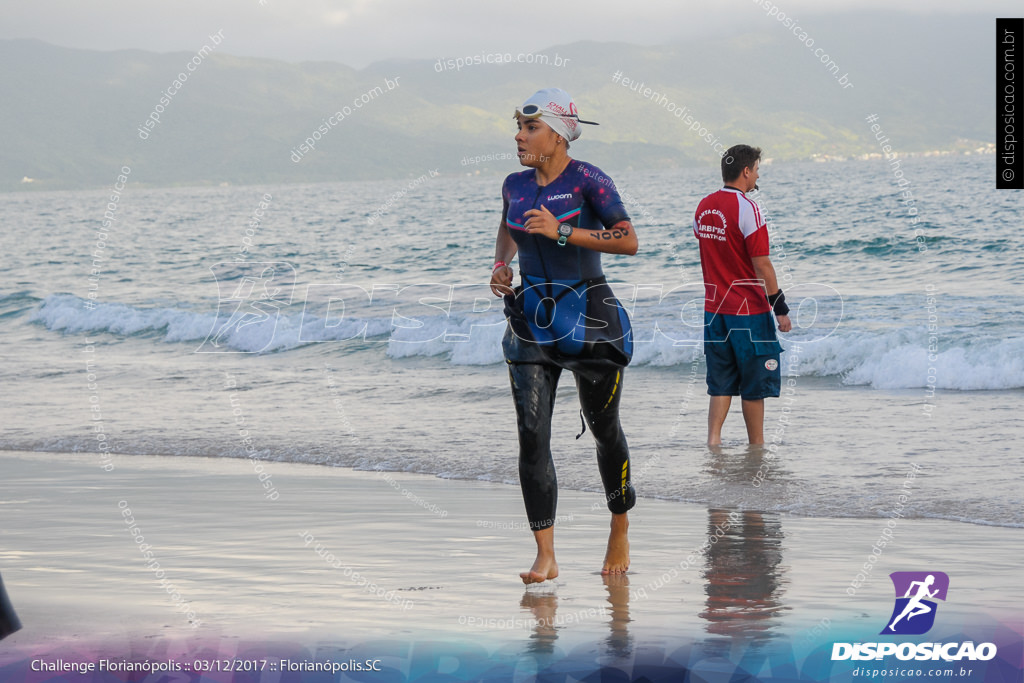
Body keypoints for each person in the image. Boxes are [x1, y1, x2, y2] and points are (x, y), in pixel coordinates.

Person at [489, 88, 638, 584]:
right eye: (519, 126)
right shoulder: (514, 183)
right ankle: (545, 554)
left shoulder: (589, 180)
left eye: (530, 128)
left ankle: (619, 524)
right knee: (532, 435)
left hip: (589, 315)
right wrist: (501, 264)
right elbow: (509, 226)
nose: (519, 135)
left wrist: (562, 232)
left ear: (557, 134)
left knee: (604, 431)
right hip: (531, 316)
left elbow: (628, 240)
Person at [693, 144, 792, 446]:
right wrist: (780, 307)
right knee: (754, 385)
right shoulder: (748, 207)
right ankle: (757, 447)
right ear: (746, 171)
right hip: (748, 312)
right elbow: (762, 263)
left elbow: (714, 250)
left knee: (721, 381)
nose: (758, 175)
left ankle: (713, 442)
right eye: (757, 169)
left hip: (715, 312)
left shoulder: (703, 206)